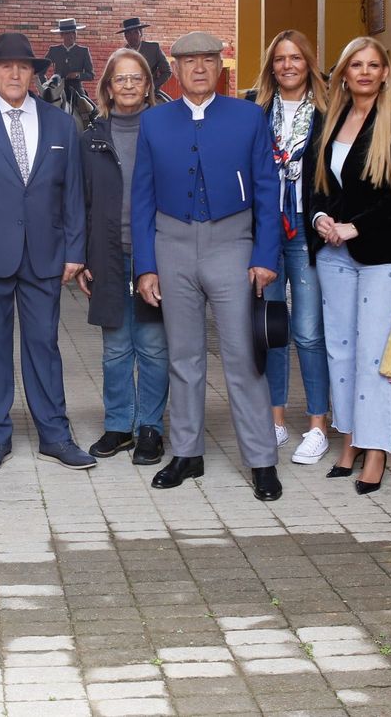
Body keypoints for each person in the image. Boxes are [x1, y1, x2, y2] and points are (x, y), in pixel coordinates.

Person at [134, 31, 284, 502]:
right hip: (172, 243)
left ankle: (261, 460)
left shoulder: (247, 116)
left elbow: (267, 188)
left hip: (231, 243)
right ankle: (186, 453)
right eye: (188, 61)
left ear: (221, 67)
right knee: (184, 356)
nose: (198, 68)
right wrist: (146, 266)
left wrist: (264, 256)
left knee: (243, 356)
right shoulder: (154, 122)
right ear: (174, 70)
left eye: (208, 60)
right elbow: (141, 198)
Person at [0, 32, 95, 471]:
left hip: (45, 254)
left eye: (24, 67)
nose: (15, 73)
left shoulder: (59, 123)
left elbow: (73, 191)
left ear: (35, 73)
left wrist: (75, 250)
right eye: (6, 66)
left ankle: (55, 434)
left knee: (44, 344)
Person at [302, 36, 391, 496]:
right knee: (341, 350)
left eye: (374, 65)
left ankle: (375, 449)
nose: (365, 72)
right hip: (332, 253)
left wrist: (355, 227)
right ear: (344, 75)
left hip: (380, 254)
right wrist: (320, 218)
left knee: (374, 354)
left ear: (385, 73)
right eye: (356, 65)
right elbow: (317, 187)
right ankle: (347, 436)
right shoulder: (329, 122)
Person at [78, 48, 169, 466]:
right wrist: (81, 256)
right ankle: (119, 425)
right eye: (120, 79)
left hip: (157, 255)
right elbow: (79, 202)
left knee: (152, 346)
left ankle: (150, 427)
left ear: (148, 85)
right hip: (108, 255)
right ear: (108, 88)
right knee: (115, 347)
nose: (129, 85)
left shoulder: (164, 129)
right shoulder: (92, 138)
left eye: (136, 78)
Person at [250, 30, 331, 465]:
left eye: (295, 57)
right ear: (271, 66)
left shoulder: (327, 109)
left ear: (308, 63)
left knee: (308, 331)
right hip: (266, 229)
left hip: (306, 226)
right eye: (279, 59)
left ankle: (318, 424)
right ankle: (276, 421)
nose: (287, 65)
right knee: (272, 330)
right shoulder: (256, 110)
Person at [44, 18, 95, 101]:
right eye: (67, 33)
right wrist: (47, 85)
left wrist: (77, 75)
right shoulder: (54, 50)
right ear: (62, 35)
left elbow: (91, 75)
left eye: (74, 32)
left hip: (77, 91)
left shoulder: (83, 51)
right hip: (57, 90)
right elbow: (41, 71)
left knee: (88, 108)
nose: (71, 36)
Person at [119, 17, 171, 93]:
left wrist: (152, 86)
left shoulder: (153, 48)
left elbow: (167, 72)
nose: (132, 37)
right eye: (129, 34)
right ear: (125, 37)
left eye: (135, 32)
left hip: (151, 94)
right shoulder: (121, 54)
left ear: (141, 33)